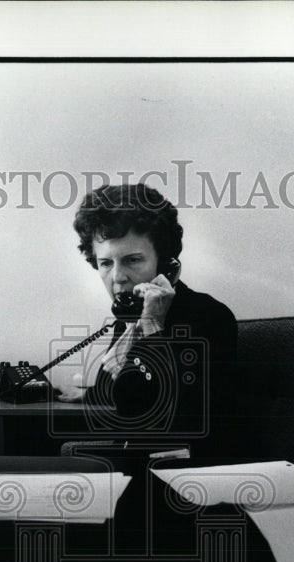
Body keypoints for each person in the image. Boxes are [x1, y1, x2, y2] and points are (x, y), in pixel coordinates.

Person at [60, 183, 237, 456]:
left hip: (183, 474)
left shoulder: (210, 316)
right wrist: (91, 394)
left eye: (132, 260)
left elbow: (158, 410)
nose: (117, 276)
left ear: (166, 263)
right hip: (132, 465)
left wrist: (154, 324)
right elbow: (123, 390)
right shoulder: (129, 321)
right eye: (106, 263)